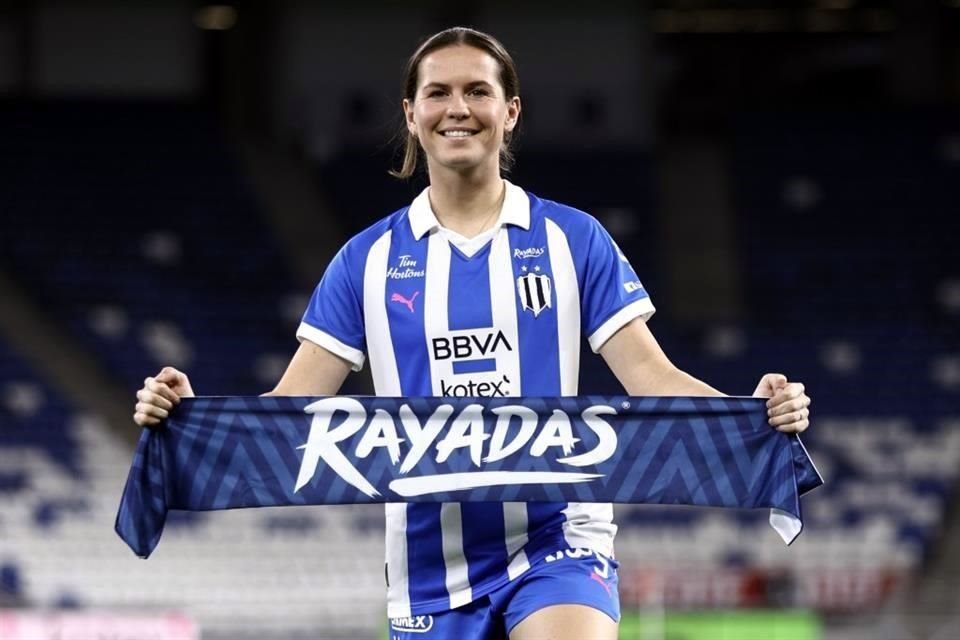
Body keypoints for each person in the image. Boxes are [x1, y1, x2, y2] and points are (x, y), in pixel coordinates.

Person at [133, 27, 811, 640]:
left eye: (478, 91)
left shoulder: (572, 239)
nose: (458, 108)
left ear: (509, 111)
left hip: (559, 535)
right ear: (412, 114)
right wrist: (193, 415)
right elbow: (291, 412)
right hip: (428, 565)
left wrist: (749, 412)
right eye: (438, 93)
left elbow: (653, 381)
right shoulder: (364, 261)